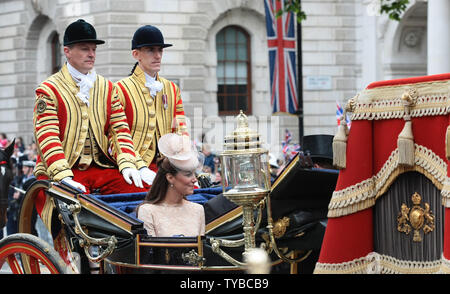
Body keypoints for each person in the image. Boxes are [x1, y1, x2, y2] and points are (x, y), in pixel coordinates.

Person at [33, 19, 145, 215]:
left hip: (101, 168)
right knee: (67, 206)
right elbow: (48, 136)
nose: (91, 54)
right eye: (85, 49)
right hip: (63, 168)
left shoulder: (107, 88)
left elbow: (120, 130)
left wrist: (127, 163)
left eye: (93, 49)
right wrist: (62, 176)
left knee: (142, 191)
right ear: (67, 51)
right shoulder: (49, 90)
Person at [114, 25, 188, 186]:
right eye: (150, 50)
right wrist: (137, 166)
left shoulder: (172, 89)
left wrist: (186, 162)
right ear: (136, 54)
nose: (157, 56)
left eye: (160, 50)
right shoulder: (119, 89)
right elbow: (116, 135)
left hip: (167, 166)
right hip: (134, 166)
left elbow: (181, 130)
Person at [137, 133, 205, 237]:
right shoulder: (148, 211)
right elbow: (149, 252)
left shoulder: (198, 210)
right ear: (170, 178)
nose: (194, 180)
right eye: (188, 174)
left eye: (194, 174)